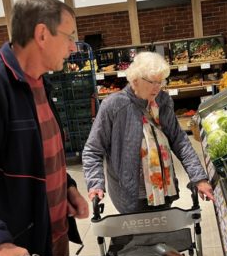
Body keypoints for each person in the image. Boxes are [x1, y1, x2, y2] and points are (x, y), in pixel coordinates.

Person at [0, 0, 89, 256]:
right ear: (42, 34)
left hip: (51, 244)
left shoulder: (40, 84)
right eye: (69, 36)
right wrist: (1, 245)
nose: (73, 47)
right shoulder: (1, 86)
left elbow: (38, 153)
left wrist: (67, 188)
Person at [82, 51, 214, 212]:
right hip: (131, 195)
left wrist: (199, 178)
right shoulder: (114, 106)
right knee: (139, 236)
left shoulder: (163, 101)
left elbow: (179, 140)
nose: (157, 88)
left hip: (164, 189)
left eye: (160, 82)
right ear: (135, 80)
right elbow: (92, 150)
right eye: (152, 82)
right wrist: (95, 184)